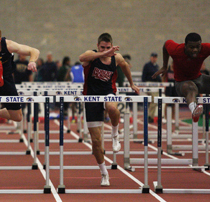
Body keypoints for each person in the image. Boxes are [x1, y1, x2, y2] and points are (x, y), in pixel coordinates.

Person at [79, 33, 139, 186]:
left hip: (108, 92)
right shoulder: (92, 56)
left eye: (108, 47)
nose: (106, 50)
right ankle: (104, 173)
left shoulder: (116, 58)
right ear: (98, 46)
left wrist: (131, 83)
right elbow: (81, 57)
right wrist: (103, 53)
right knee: (97, 141)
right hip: (91, 97)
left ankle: (114, 134)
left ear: (112, 46)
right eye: (102, 47)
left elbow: (125, 66)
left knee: (112, 108)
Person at [152, 33, 210, 122]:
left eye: (197, 47)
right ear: (185, 45)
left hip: (198, 79)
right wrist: (164, 66)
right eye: (191, 47)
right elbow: (166, 44)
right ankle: (194, 110)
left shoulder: (205, 48)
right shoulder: (176, 50)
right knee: (191, 87)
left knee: (197, 83)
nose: (195, 50)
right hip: (182, 83)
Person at [142, 52, 161, 123]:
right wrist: (145, 86)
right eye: (153, 57)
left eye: (155, 57)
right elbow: (143, 77)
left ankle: (150, 116)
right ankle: (150, 116)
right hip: (149, 84)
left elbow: (158, 77)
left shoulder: (157, 66)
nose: (154, 58)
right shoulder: (147, 66)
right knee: (153, 100)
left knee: (154, 101)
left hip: (156, 85)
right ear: (151, 57)